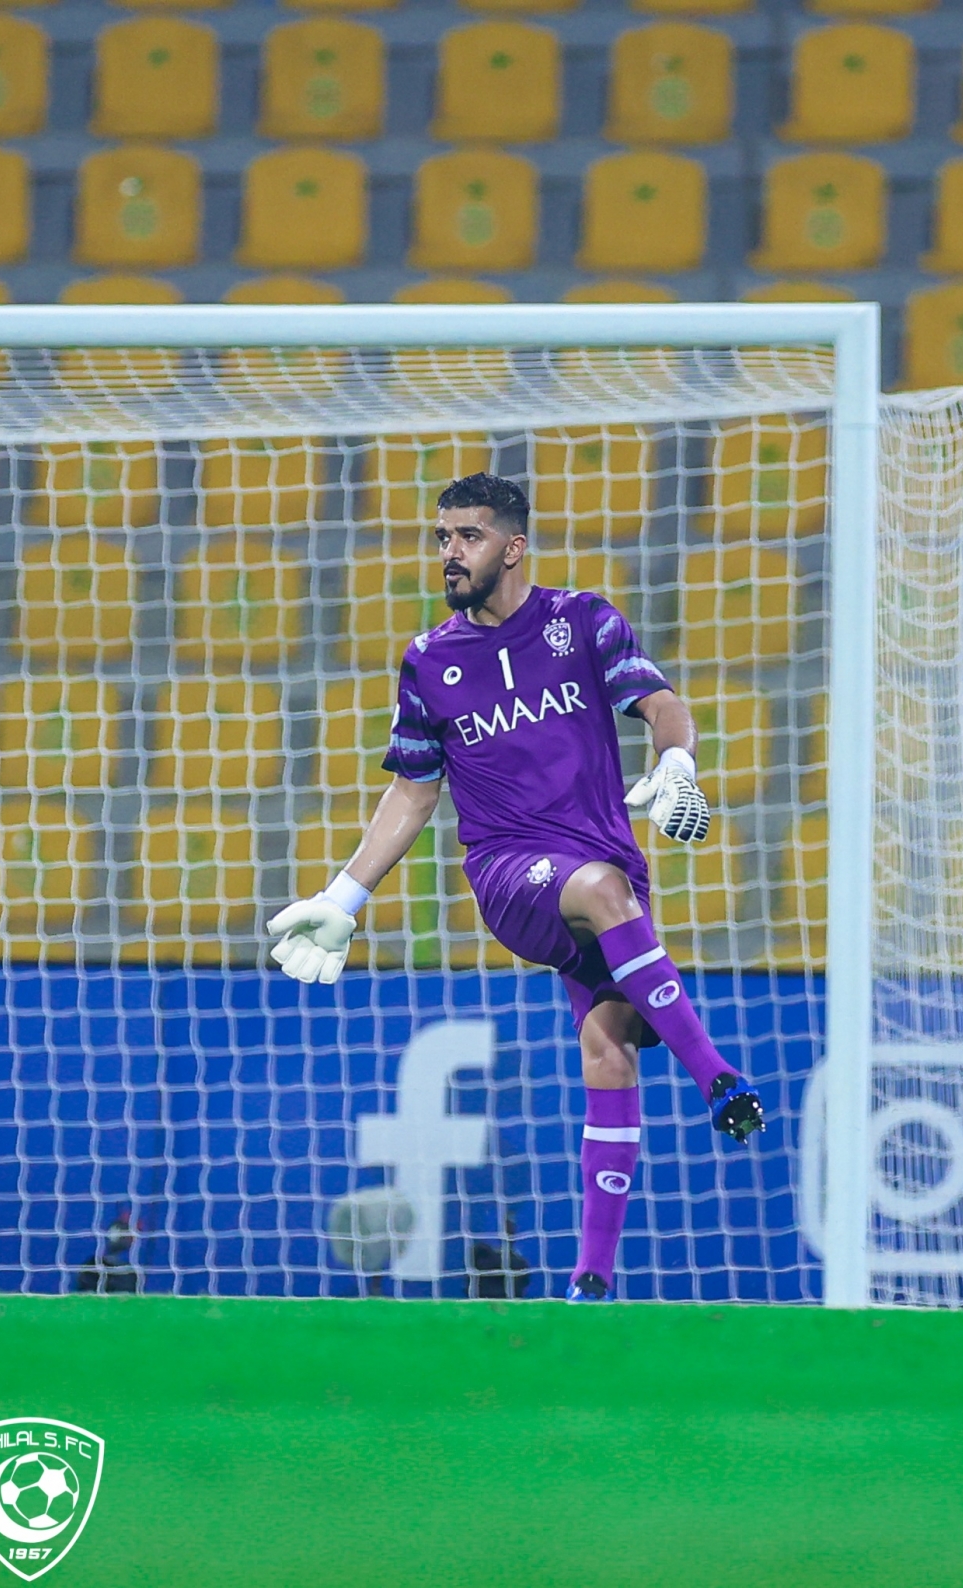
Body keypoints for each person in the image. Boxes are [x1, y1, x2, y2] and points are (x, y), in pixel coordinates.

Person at [265, 472, 763, 1304]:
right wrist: (343, 897)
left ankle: (590, 1282)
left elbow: (661, 704)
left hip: (604, 861)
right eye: (443, 537)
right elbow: (414, 790)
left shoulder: (583, 621)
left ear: (513, 546)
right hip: (510, 872)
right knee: (601, 891)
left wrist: (677, 764)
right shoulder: (428, 661)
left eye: (469, 536)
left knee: (609, 1048)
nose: (450, 553)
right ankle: (717, 1076)